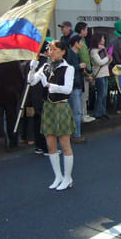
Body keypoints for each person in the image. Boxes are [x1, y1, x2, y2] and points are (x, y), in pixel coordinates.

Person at [28, 40, 75, 190]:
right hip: (47, 107)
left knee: (65, 143)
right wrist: (32, 69)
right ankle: (58, 176)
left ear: (63, 52)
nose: (51, 52)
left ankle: (68, 178)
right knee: (50, 144)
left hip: (61, 107)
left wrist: (48, 85)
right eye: (50, 49)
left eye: (55, 49)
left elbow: (67, 89)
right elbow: (32, 82)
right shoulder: (46, 66)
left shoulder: (68, 68)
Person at [66, 35, 86, 143]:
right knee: (77, 112)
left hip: (76, 85)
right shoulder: (70, 54)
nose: (82, 44)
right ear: (76, 43)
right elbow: (68, 68)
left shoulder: (74, 54)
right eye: (81, 42)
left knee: (74, 111)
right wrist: (79, 66)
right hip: (74, 86)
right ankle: (76, 135)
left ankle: (73, 133)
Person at [75, 22, 95, 123]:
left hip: (84, 71)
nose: (87, 31)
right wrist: (88, 73)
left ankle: (84, 114)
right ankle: (83, 115)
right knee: (83, 95)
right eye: (86, 29)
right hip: (83, 72)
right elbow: (83, 58)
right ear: (82, 30)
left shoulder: (81, 40)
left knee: (83, 95)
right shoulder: (79, 41)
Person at [90, 33, 112, 120]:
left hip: (105, 73)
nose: (104, 40)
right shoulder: (93, 51)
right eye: (102, 38)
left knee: (104, 94)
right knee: (101, 94)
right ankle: (98, 113)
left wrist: (108, 59)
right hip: (99, 75)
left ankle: (103, 112)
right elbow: (99, 62)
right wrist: (107, 58)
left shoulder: (102, 49)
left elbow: (105, 63)